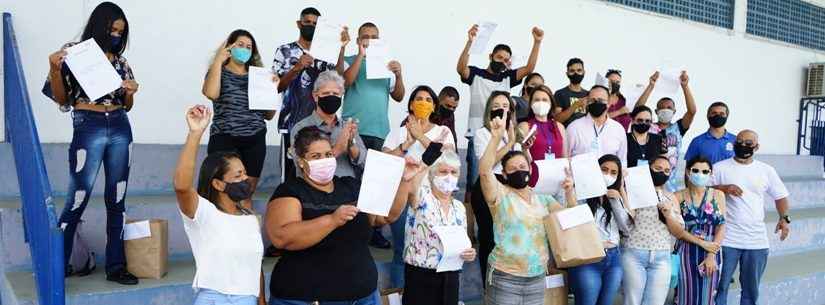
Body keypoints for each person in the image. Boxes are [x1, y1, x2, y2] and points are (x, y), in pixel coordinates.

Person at [44, 2, 139, 284]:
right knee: (78, 198)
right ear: (99, 26)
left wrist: (131, 91)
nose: (116, 36)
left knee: (117, 199)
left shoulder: (121, 63)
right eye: (111, 29)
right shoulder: (76, 53)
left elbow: (128, 105)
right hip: (89, 124)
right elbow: (61, 99)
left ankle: (116, 266)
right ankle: (57, 264)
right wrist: (53, 67)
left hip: (120, 125)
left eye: (121, 32)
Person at [264, 126, 408, 305]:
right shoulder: (291, 190)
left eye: (328, 155)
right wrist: (332, 220)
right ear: (301, 161)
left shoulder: (350, 186)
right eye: (316, 156)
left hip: (364, 296)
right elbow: (282, 237)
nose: (324, 160)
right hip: (306, 297)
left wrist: (404, 181)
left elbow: (383, 218)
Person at [478, 111, 574, 305]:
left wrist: (570, 190)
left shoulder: (543, 199)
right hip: (505, 277)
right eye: (512, 169)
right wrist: (497, 137)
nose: (519, 171)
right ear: (504, 175)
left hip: (537, 278)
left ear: (530, 169)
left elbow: (571, 217)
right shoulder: (500, 194)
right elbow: (484, 171)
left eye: (523, 166)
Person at [173, 105, 264, 305]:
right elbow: (181, 186)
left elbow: (255, 267)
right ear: (217, 184)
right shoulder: (204, 213)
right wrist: (195, 133)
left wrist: (261, 300)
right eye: (238, 175)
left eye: (245, 173)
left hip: (248, 298)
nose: (246, 179)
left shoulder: (250, 218)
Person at [456, 24, 544, 213]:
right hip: (477, 135)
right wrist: (469, 43)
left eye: (506, 60)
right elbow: (461, 68)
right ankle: (470, 230)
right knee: (474, 185)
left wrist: (537, 42)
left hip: (503, 137)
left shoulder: (508, 78)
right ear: (490, 57)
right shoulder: (476, 74)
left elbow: (529, 68)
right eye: (499, 58)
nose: (502, 62)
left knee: (502, 184)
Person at [383, 85, 457, 288]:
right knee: (402, 251)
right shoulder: (398, 133)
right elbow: (384, 161)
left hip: (434, 200)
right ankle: (399, 295)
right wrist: (406, 144)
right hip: (402, 200)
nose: (423, 103)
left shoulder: (443, 131)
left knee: (433, 249)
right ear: (410, 105)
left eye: (428, 100)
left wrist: (420, 136)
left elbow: (449, 161)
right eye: (419, 99)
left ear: (434, 107)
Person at [712, 130, 791, 305]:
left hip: (756, 241)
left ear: (757, 146)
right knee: (720, 287)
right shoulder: (719, 168)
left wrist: (784, 218)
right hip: (727, 238)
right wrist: (724, 188)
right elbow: (703, 192)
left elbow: (780, 196)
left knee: (750, 290)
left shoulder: (766, 170)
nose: (743, 145)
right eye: (740, 141)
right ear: (733, 144)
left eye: (749, 143)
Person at [389, 149, 476, 305]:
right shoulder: (422, 197)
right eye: (443, 172)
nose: (449, 176)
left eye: (453, 172)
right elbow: (412, 187)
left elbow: (462, 240)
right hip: (421, 276)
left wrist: (469, 252)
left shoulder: (459, 207)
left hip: (451, 275)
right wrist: (426, 161)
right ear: (433, 174)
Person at [272, 7, 347, 184]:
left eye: (315, 24)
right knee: (292, 177)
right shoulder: (284, 50)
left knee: (320, 174)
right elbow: (276, 87)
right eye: (308, 22)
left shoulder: (327, 53)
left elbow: (339, 78)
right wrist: (297, 67)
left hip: (321, 125)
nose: (311, 26)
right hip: (291, 123)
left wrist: (341, 48)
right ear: (299, 24)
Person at [201, 29, 276, 204]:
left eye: (249, 47)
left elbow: (269, 115)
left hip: (255, 139)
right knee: (222, 195)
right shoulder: (218, 71)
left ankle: (247, 227)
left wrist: (272, 91)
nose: (244, 49)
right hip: (224, 138)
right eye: (240, 45)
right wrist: (219, 61)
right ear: (229, 47)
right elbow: (211, 93)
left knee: (246, 193)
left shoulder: (259, 76)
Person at [469, 91, 522, 285]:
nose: (501, 109)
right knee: (489, 240)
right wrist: (508, 143)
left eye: (505, 106)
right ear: (490, 109)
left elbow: (518, 164)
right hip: (487, 186)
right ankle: (488, 285)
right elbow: (486, 164)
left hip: (511, 188)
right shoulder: (482, 133)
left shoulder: (514, 132)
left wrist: (520, 146)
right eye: (496, 105)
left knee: (510, 238)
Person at [621, 157, 685, 305]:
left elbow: (678, 232)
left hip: (661, 256)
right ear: (648, 168)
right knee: (632, 301)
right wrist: (623, 188)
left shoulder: (671, 197)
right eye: (658, 169)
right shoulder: (635, 191)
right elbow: (626, 219)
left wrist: (669, 215)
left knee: (655, 301)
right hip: (634, 252)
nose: (662, 173)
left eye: (667, 170)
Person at [568, 154, 630, 305]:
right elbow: (572, 218)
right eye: (604, 169)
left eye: (613, 173)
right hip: (589, 257)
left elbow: (627, 228)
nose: (608, 175)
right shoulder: (582, 193)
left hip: (614, 257)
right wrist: (570, 190)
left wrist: (617, 199)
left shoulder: (615, 197)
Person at [341, 22, 405, 152]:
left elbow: (399, 97)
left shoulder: (386, 65)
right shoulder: (348, 60)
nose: (370, 40)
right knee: (351, 171)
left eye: (374, 37)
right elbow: (344, 83)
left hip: (380, 133)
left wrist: (398, 75)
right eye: (366, 36)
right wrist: (361, 54)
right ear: (358, 40)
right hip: (352, 130)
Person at [290, 71, 366, 179]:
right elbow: (301, 167)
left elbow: (366, 164)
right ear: (315, 96)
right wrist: (337, 149)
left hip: (347, 189)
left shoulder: (347, 127)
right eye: (326, 93)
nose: (331, 98)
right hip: (315, 191)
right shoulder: (300, 128)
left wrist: (351, 146)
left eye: (335, 94)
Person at [674, 157, 726, 305]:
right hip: (685, 251)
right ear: (688, 172)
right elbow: (677, 229)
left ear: (710, 174)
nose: (700, 174)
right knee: (685, 295)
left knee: (707, 297)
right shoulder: (678, 196)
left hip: (711, 250)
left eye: (705, 171)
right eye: (695, 170)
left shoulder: (718, 195)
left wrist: (711, 254)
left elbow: (722, 226)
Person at [634, 71, 697, 192]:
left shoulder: (678, 127)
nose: (665, 109)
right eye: (662, 107)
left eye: (669, 107)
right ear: (656, 111)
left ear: (674, 111)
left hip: (670, 185)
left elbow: (692, 111)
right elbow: (638, 110)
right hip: (645, 182)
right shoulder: (647, 126)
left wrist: (685, 86)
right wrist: (651, 86)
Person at [517, 85, 567, 187]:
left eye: (545, 100)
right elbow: (519, 157)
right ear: (530, 104)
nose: (541, 102)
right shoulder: (524, 126)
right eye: (536, 100)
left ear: (551, 104)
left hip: (557, 180)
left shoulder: (560, 127)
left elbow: (564, 157)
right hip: (534, 180)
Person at [566, 85, 628, 165]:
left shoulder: (618, 129)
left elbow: (622, 162)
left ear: (608, 103)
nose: (596, 103)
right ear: (587, 102)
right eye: (592, 100)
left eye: (600, 100)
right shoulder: (574, 128)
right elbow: (565, 159)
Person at [553, 58, 589, 126]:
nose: (576, 73)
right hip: (566, 135)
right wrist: (575, 105)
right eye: (572, 71)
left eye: (579, 70)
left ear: (584, 72)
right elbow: (556, 120)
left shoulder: (589, 94)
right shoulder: (560, 94)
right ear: (567, 74)